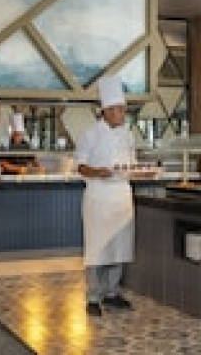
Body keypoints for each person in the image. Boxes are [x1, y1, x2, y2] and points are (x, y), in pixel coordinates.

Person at [75, 75, 136, 317]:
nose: (123, 114)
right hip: (99, 197)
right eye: (119, 110)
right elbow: (80, 166)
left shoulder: (128, 135)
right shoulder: (90, 134)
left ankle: (112, 293)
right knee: (97, 248)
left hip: (122, 196)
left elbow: (131, 164)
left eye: (123, 109)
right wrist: (97, 172)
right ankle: (92, 296)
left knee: (119, 247)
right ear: (107, 111)